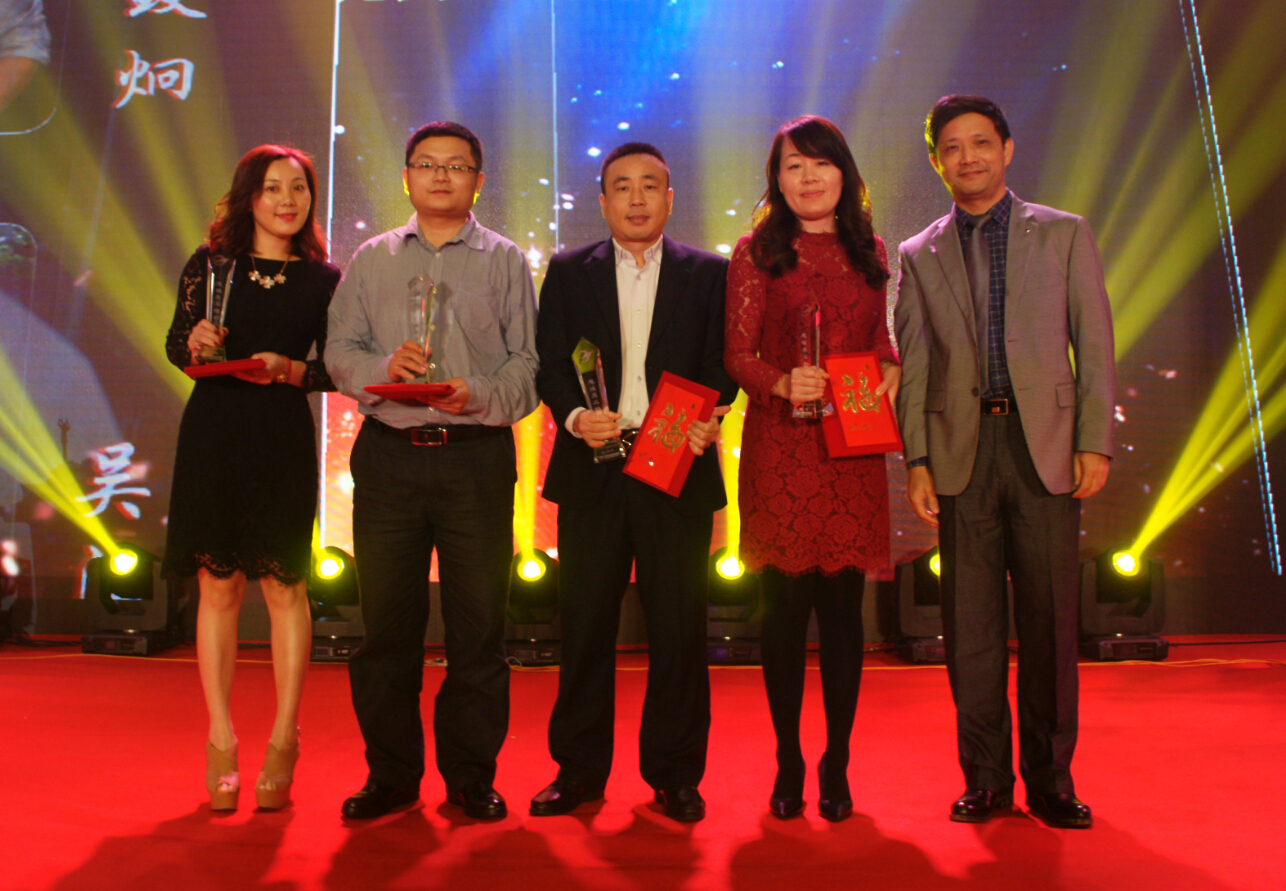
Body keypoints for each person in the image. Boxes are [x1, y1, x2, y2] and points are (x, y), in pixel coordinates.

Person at [894, 95, 1115, 828]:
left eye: (981, 143)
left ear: (1007, 148)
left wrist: (1093, 439)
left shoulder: (1063, 232)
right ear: (936, 162)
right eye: (952, 148)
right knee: (971, 627)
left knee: (1050, 621)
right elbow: (916, 366)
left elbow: (1094, 343)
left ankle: (1051, 780)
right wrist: (916, 458)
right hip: (960, 452)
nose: (968, 158)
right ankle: (985, 778)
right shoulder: (918, 252)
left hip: (1043, 445)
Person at [326, 121, 539, 822]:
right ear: (407, 176)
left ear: (478, 180)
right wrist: (382, 369)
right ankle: (390, 775)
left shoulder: (504, 260)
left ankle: (471, 777)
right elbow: (338, 351)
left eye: (457, 165)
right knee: (387, 628)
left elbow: (527, 367)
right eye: (427, 164)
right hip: (389, 456)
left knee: (479, 630)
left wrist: (474, 393)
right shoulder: (372, 258)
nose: (441, 176)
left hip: (475, 456)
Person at [531, 142, 737, 823]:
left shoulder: (709, 273)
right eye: (622, 186)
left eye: (651, 185)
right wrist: (574, 416)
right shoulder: (569, 272)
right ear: (603, 200)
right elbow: (549, 365)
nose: (637, 198)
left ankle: (675, 775)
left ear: (670, 198)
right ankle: (578, 770)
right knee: (585, 625)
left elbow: (723, 362)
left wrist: (708, 412)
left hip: (676, 465)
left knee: (678, 629)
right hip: (594, 466)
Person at [724, 116, 899, 822]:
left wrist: (889, 367)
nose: (807, 177)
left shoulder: (869, 248)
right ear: (777, 179)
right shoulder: (756, 252)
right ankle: (789, 758)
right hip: (782, 448)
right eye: (792, 165)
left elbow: (880, 338)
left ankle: (838, 760)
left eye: (820, 163)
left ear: (844, 173)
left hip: (853, 450)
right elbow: (737, 354)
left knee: (845, 618)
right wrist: (780, 381)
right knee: (784, 616)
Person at [164, 145, 341, 812]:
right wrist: (195, 345)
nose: (287, 200)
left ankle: (284, 737)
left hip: (280, 435)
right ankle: (220, 735)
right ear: (249, 196)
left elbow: (337, 367)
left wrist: (289, 370)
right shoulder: (211, 265)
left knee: (286, 586)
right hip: (213, 432)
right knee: (218, 585)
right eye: (272, 188)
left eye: (299, 188)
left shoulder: (324, 280)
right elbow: (177, 345)